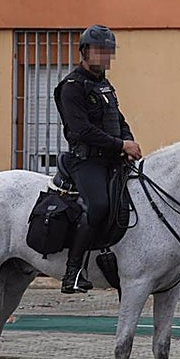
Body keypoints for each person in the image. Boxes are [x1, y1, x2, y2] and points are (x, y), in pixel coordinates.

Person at [53, 25, 143, 294]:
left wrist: (129, 142)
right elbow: (81, 130)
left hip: (113, 159)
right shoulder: (71, 87)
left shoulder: (104, 85)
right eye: (99, 50)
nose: (104, 56)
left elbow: (119, 120)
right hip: (87, 161)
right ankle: (74, 271)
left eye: (108, 51)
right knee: (99, 205)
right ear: (84, 51)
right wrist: (120, 144)